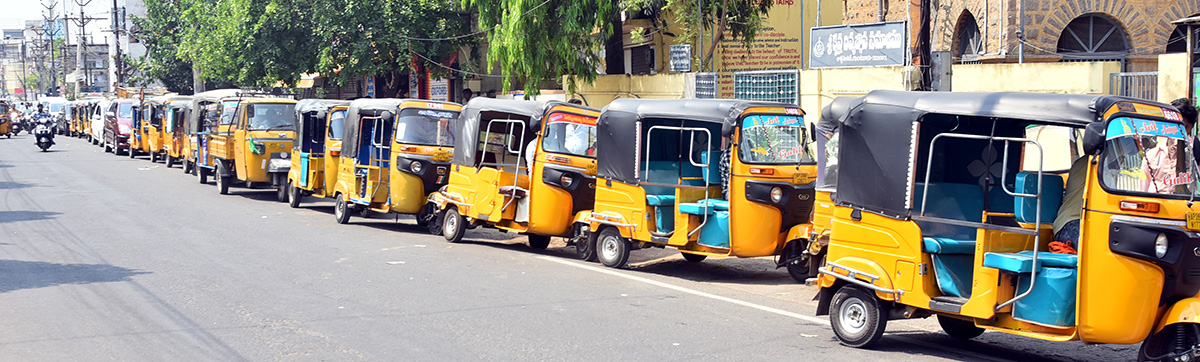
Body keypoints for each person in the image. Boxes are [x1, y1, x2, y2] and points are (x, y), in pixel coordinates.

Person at [1053, 155, 1089, 248]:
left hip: (1088, 222)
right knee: (1091, 249)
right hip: (1071, 222)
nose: (1122, 160)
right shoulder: (1087, 162)